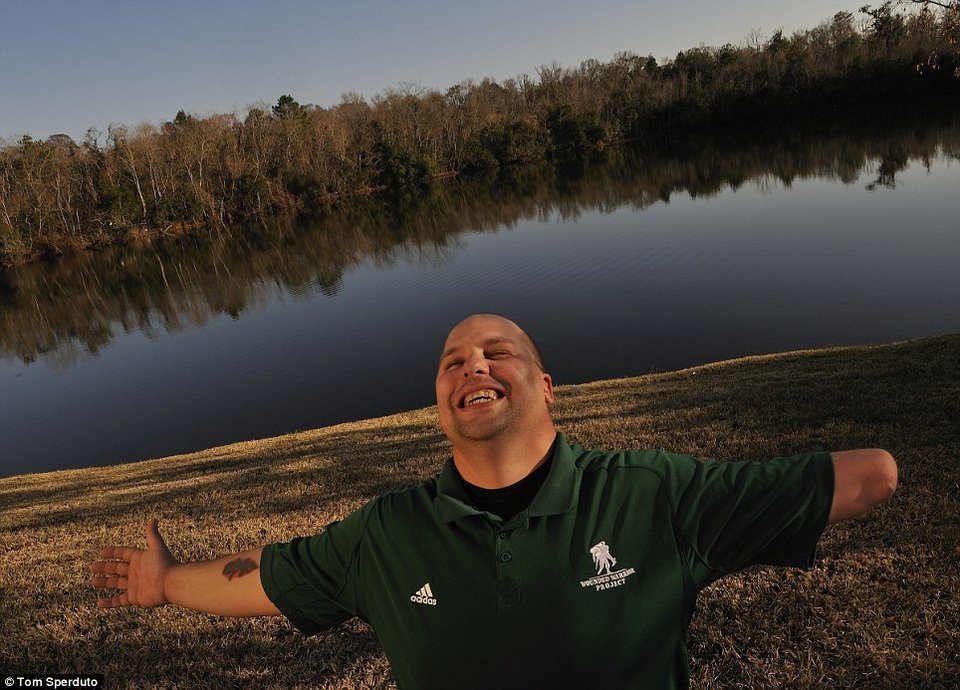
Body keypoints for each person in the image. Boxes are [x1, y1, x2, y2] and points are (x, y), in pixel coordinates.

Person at [90, 313, 898, 689]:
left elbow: (870, 475)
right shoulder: (387, 535)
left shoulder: (656, 496)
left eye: (495, 352)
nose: (470, 365)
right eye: (451, 362)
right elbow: (263, 577)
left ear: (545, 388)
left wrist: (866, 472)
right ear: (442, 402)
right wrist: (164, 584)